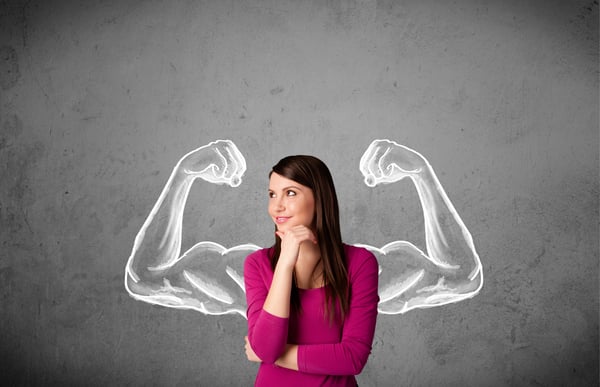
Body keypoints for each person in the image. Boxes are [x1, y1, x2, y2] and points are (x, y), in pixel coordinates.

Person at [243, 155, 379, 386]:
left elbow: (353, 358)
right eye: (272, 194)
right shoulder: (257, 264)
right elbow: (266, 348)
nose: (277, 206)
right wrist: (285, 263)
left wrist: (277, 355)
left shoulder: (360, 263)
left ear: (320, 198)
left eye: (291, 193)